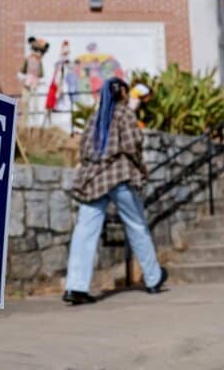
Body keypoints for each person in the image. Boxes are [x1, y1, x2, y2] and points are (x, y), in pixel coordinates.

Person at [63, 78, 168, 305]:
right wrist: (140, 169)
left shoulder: (94, 117)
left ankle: (76, 286)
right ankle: (153, 278)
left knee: (84, 231)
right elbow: (133, 144)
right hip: (120, 176)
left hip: (94, 180)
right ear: (122, 92)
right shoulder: (124, 113)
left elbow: (84, 150)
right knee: (137, 225)